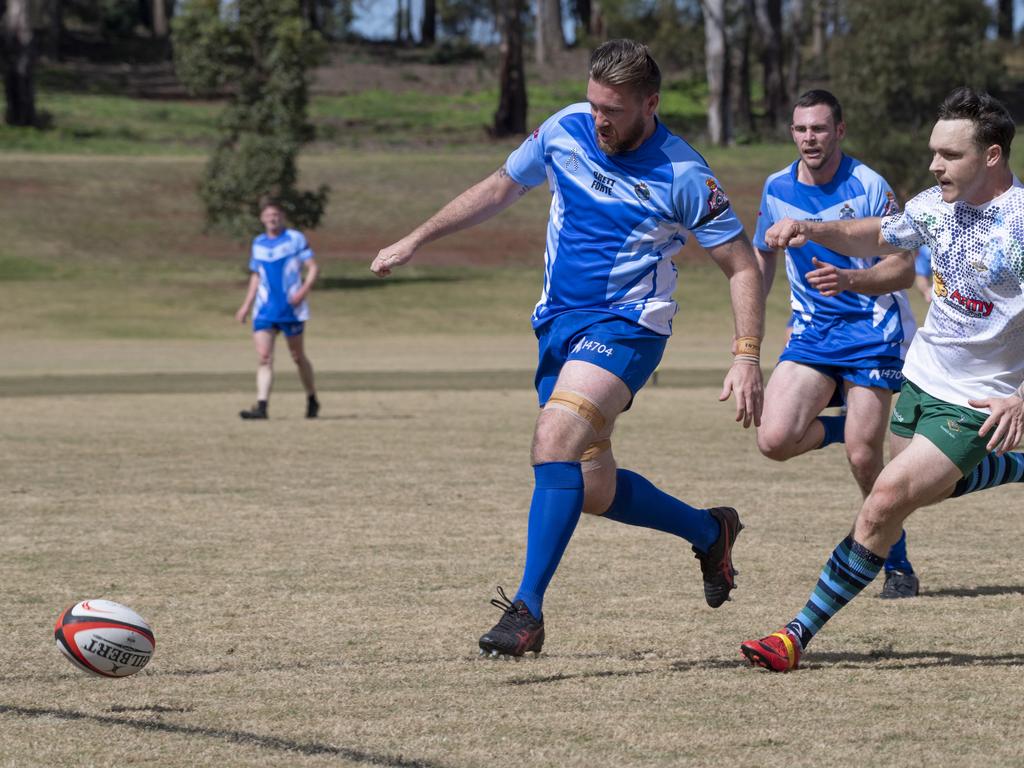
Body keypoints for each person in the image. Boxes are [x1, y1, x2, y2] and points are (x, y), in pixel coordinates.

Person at [371, 39, 765, 658]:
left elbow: (743, 267)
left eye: (612, 109)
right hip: (558, 325)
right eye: (593, 104)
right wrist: (416, 238)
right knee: (593, 487)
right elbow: (502, 186)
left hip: (628, 327)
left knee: (553, 439)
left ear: (650, 104)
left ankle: (526, 613)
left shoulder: (685, 174)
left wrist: (746, 354)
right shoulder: (564, 130)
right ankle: (708, 530)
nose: (598, 119)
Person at [741, 87, 1024, 672]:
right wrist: (813, 229)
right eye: (933, 152)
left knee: (883, 504)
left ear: (991, 157)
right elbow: (878, 236)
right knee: (926, 488)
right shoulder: (935, 205)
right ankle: (1017, 466)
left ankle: (794, 635)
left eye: (949, 155)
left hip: (978, 399)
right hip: (921, 378)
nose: (934, 165)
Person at [754, 89, 922, 599]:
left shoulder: (869, 185)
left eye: (820, 128)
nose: (811, 138)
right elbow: (763, 255)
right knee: (774, 440)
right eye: (802, 129)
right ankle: (843, 429)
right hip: (812, 334)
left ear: (840, 131)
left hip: (872, 331)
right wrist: (751, 334)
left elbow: (903, 266)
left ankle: (897, 562)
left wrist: (850, 281)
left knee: (863, 458)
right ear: (793, 133)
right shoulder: (776, 187)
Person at [235, 197, 321, 420]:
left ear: (282, 217)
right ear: (262, 218)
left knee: (297, 356)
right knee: (264, 357)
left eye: (276, 214)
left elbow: (312, 268)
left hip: (291, 309)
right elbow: (256, 275)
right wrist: (246, 305)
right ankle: (262, 407)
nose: (272, 218)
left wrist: (303, 292)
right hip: (264, 309)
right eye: (268, 215)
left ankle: (312, 398)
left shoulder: (295, 239)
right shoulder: (258, 243)